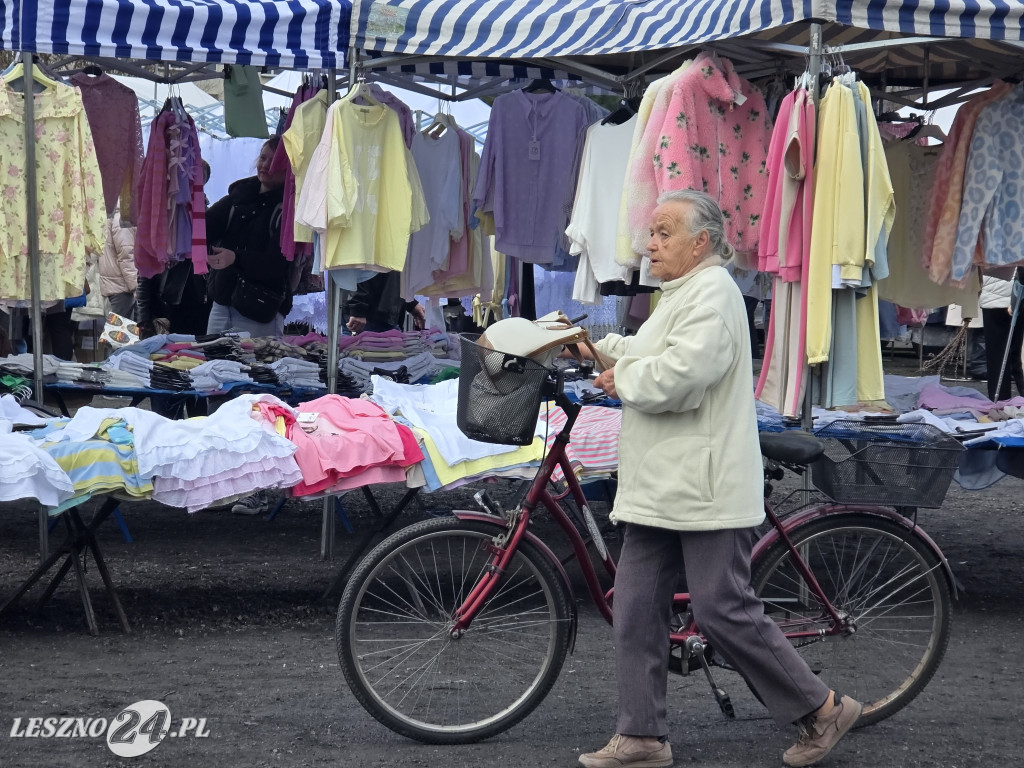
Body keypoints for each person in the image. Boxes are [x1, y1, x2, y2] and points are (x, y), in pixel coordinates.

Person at [580, 189, 861, 768]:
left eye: (662, 233)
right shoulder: (683, 292)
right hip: (663, 485)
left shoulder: (713, 293)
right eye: (651, 233)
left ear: (700, 242)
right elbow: (651, 352)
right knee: (634, 606)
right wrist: (597, 348)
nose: (648, 244)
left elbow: (679, 377)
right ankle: (641, 736)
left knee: (721, 608)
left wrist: (622, 376)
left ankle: (822, 708)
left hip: (701, 486)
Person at [206, 135, 292, 337]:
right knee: (212, 365)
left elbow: (278, 265)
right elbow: (203, 227)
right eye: (263, 158)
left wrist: (235, 258)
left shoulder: (289, 210)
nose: (266, 165)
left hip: (260, 308)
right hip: (222, 302)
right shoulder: (237, 198)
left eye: (275, 161)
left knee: (253, 368)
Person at [979, 274, 1024, 402]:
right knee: (1016, 356)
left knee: (997, 357)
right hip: (1014, 290)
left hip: (995, 295)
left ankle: (1000, 403)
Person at [345, 271, 426, 334]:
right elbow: (361, 264)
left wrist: (411, 303)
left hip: (379, 310)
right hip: (371, 313)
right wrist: (358, 308)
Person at [99, 211, 139, 321]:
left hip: (117, 283)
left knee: (120, 332)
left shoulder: (113, 216)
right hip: (122, 285)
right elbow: (126, 255)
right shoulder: (122, 218)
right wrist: (136, 286)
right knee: (118, 334)